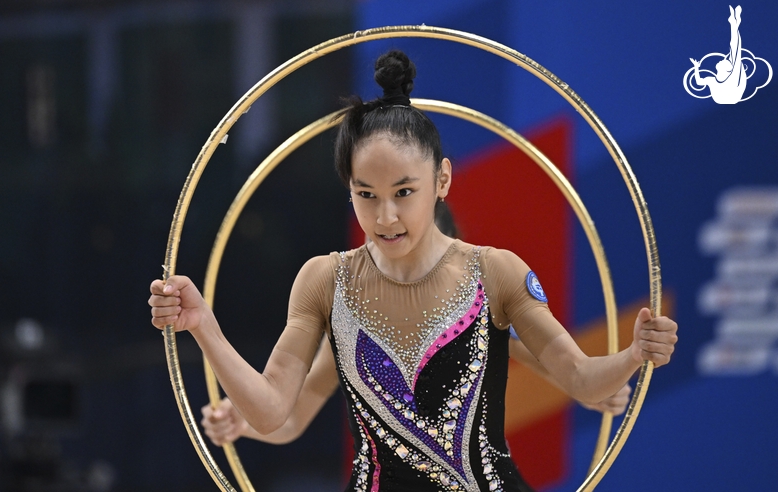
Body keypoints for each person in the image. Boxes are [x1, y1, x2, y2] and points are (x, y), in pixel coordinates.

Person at [149, 50, 677, 492]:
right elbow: (272, 411)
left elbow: (583, 381)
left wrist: (635, 354)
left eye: (404, 193)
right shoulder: (324, 282)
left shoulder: (495, 273)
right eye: (366, 195)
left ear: (442, 179)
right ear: (348, 189)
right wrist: (203, 326)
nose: (385, 217)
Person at [199, 202, 632, 448]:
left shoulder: (480, 312)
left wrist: (590, 391)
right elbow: (290, 417)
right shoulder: (352, 330)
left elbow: (553, 363)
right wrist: (245, 424)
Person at [690, 5, 746, 104]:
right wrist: (696, 67)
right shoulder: (712, 80)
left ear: (727, 69)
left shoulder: (732, 77)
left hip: (731, 96)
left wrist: (734, 26)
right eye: (725, 60)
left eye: (725, 61)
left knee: (735, 51)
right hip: (724, 98)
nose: (722, 59)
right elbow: (699, 82)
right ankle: (734, 23)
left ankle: (734, 23)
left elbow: (736, 49)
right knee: (734, 51)